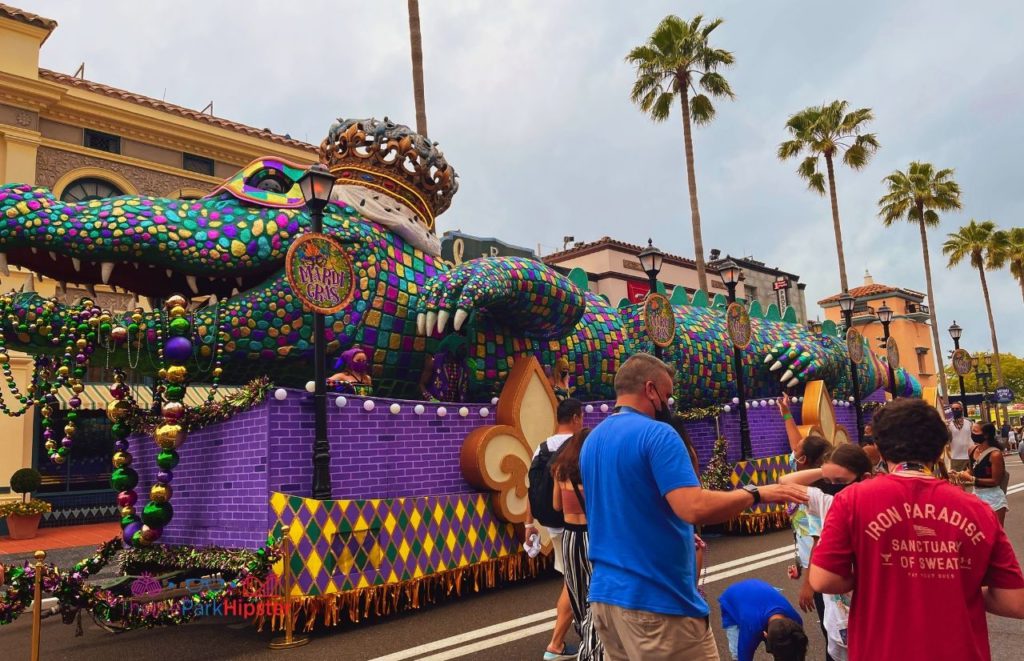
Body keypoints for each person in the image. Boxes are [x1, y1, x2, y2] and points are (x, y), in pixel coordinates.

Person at [579, 353, 807, 660]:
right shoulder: (658, 434)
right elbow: (694, 506)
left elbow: (628, 507)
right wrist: (756, 493)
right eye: (668, 395)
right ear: (650, 389)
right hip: (656, 601)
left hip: (606, 599)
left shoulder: (593, 440)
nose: (669, 404)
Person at [810, 398, 1024, 661]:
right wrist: (953, 584)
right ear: (939, 450)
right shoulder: (978, 510)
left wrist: (879, 577)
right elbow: (1015, 601)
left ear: (879, 448)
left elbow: (823, 579)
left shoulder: (852, 500)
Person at [781, 444, 874, 661]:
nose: (833, 487)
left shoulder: (877, 505)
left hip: (870, 616)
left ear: (865, 478)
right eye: (829, 482)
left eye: (840, 482)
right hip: (838, 622)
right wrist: (827, 471)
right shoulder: (827, 502)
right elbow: (786, 483)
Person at [525, 398, 584, 661]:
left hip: (552, 524)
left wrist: (529, 524)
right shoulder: (580, 447)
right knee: (575, 582)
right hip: (577, 525)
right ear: (575, 418)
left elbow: (531, 488)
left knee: (572, 579)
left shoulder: (541, 448)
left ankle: (571, 637)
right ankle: (556, 644)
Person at [777, 393, 831, 648]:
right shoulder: (803, 473)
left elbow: (817, 542)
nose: (792, 453)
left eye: (797, 453)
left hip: (821, 570)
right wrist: (786, 412)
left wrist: (808, 585)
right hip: (811, 562)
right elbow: (796, 441)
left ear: (805, 461)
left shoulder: (814, 495)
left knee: (831, 623)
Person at [551, 429, 603, 661]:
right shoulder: (592, 471)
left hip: (569, 537)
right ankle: (595, 646)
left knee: (575, 590)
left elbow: (556, 506)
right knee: (597, 590)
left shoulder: (559, 471)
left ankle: (585, 637)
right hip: (591, 536)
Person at [719, 578, 808, 661]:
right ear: (765, 635)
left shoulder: (796, 622)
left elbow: (797, 648)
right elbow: (744, 657)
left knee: (783, 646)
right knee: (737, 654)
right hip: (732, 599)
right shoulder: (751, 628)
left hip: (760, 593)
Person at [957, 422, 1009, 526]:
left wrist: (972, 479)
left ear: (986, 435)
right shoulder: (972, 450)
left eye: (975, 431)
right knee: (979, 533)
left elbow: (995, 481)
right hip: (976, 495)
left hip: (994, 498)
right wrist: (959, 474)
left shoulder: (995, 454)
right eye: (972, 431)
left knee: (996, 533)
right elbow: (971, 470)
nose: (972, 434)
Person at [946, 401, 972, 472]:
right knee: (957, 481)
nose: (955, 410)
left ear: (962, 409)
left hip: (969, 457)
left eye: (957, 409)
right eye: (953, 409)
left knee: (970, 480)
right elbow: (946, 440)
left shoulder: (969, 423)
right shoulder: (948, 424)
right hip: (955, 457)